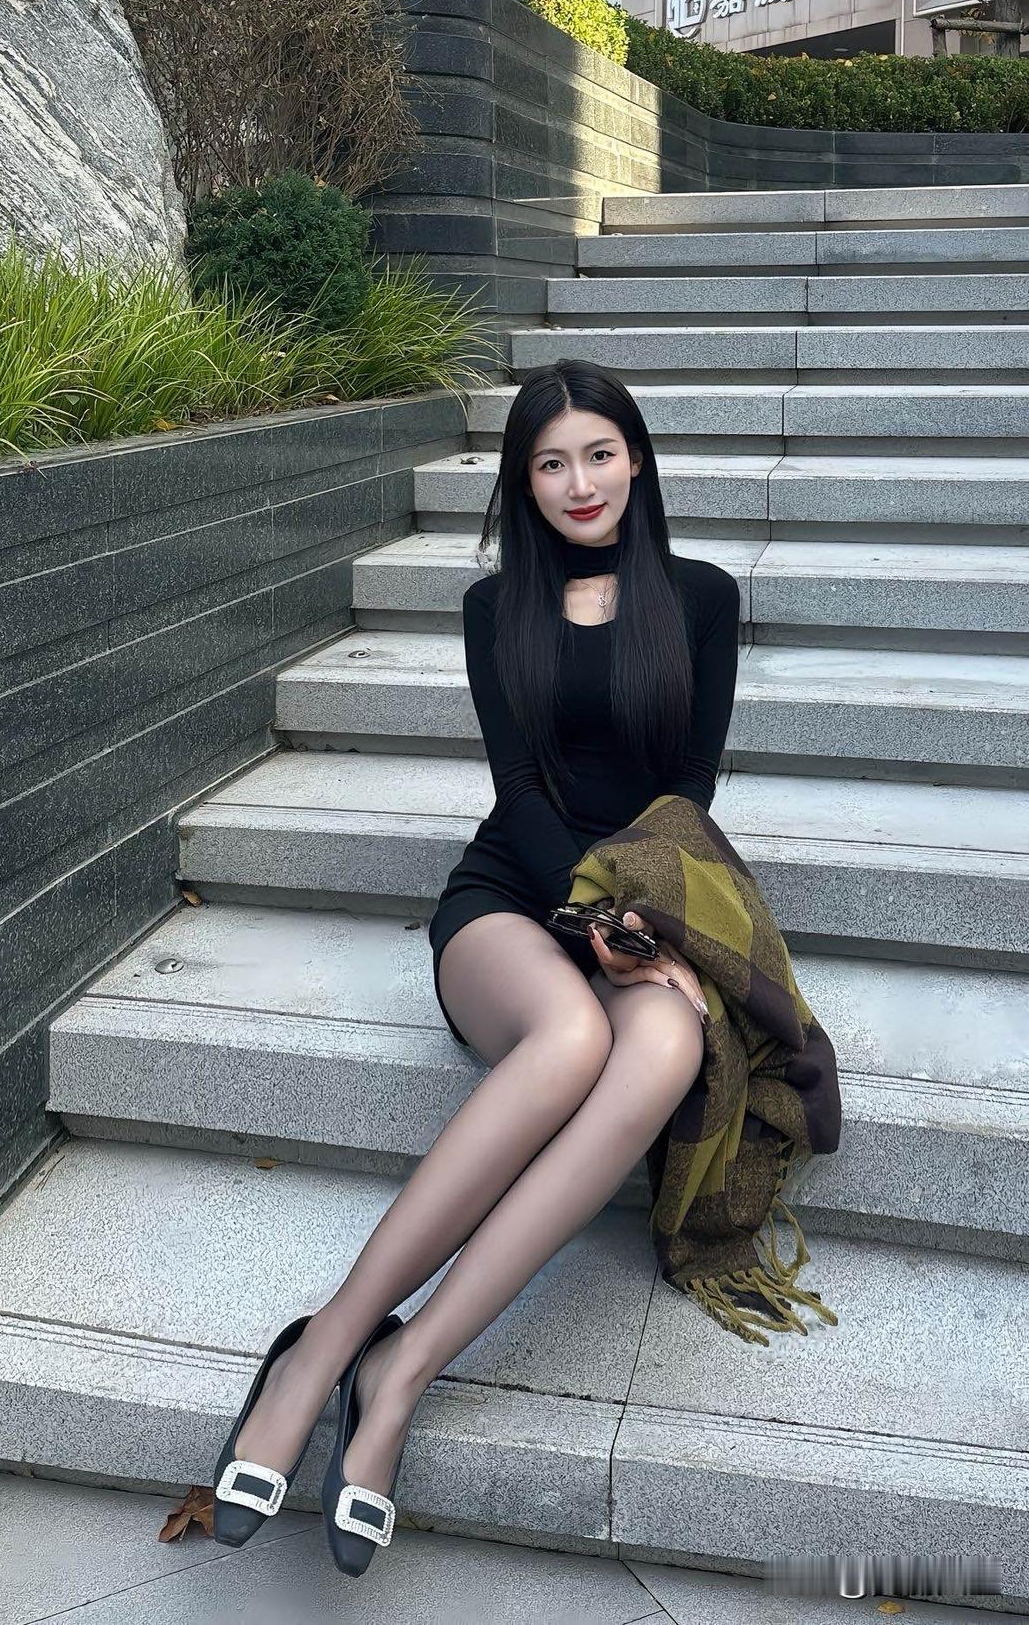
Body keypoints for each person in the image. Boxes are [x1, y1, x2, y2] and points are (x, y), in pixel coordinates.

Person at [212, 359, 740, 1570]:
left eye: (597, 453)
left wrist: (638, 924)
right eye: (549, 462)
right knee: (572, 1036)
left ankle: (399, 1369)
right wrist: (581, 912)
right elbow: (516, 788)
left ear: (636, 457)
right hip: (510, 897)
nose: (578, 481)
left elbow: (689, 790)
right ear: (522, 480)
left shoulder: (700, 598)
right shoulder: (492, 607)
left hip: (642, 895)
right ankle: (319, 1347)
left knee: (662, 1041)